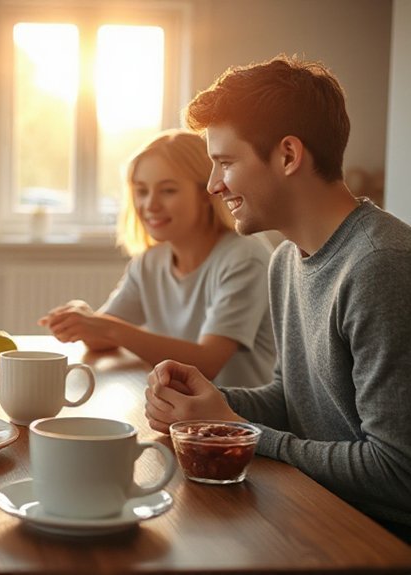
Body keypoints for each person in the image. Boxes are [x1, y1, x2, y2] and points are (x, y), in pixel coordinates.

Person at [144, 55, 411, 543]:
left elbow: (397, 474)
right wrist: (208, 402)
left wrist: (238, 431)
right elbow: (295, 402)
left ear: (288, 156)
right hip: (316, 515)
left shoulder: (380, 265)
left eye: (225, 162)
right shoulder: (287, 259)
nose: (212, 185)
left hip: (377, 543)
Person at [38, 130, 275, 389]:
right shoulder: (149, 263)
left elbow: (208, 362)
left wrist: (105, 327)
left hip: (239, 423)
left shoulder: (244, 258)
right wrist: (83, 319)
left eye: (168, 190)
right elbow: (102, 338)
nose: (150, 205)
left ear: (207, 194)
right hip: (180, 415)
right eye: (141, 191)